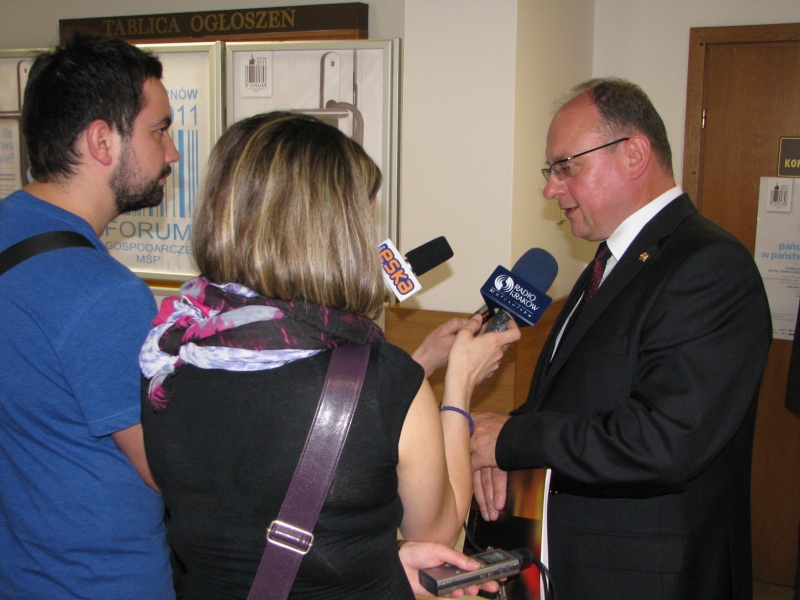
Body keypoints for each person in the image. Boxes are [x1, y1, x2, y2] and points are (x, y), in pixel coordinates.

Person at [139, 111, 520, 599]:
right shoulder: (387, 384)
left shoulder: (169, 354)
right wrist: (459, 384)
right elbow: (437, 531)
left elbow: (250, 502)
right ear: (335, 235)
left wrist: (419, 363)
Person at [470, 78, 772, 600]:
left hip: (649, 578)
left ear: (633, 155)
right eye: (550, 171)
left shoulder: (709, 265)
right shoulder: (613, 260)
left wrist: (513, 439)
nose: (550, 189)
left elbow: (665, 440)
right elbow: (577, 400)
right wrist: (503, 446)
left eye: (566, 167)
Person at [0, 34, 180, 598]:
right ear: (102, 140)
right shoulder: (104, 295)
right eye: (159, 130)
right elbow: (169, 471)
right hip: (99, 582)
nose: (172, 153)